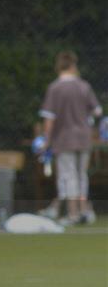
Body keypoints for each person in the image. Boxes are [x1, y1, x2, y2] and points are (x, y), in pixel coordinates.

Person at [39, 50, 102, 226]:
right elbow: (97, 111)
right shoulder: (84, 86)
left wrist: (46, 140)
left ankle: (73, 213)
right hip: (84, 137)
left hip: (64, 138)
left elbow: (49, 118)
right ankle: (84, 211)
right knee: (82, 175)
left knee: (68, 176)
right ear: (73, 65)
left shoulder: (55, 88)